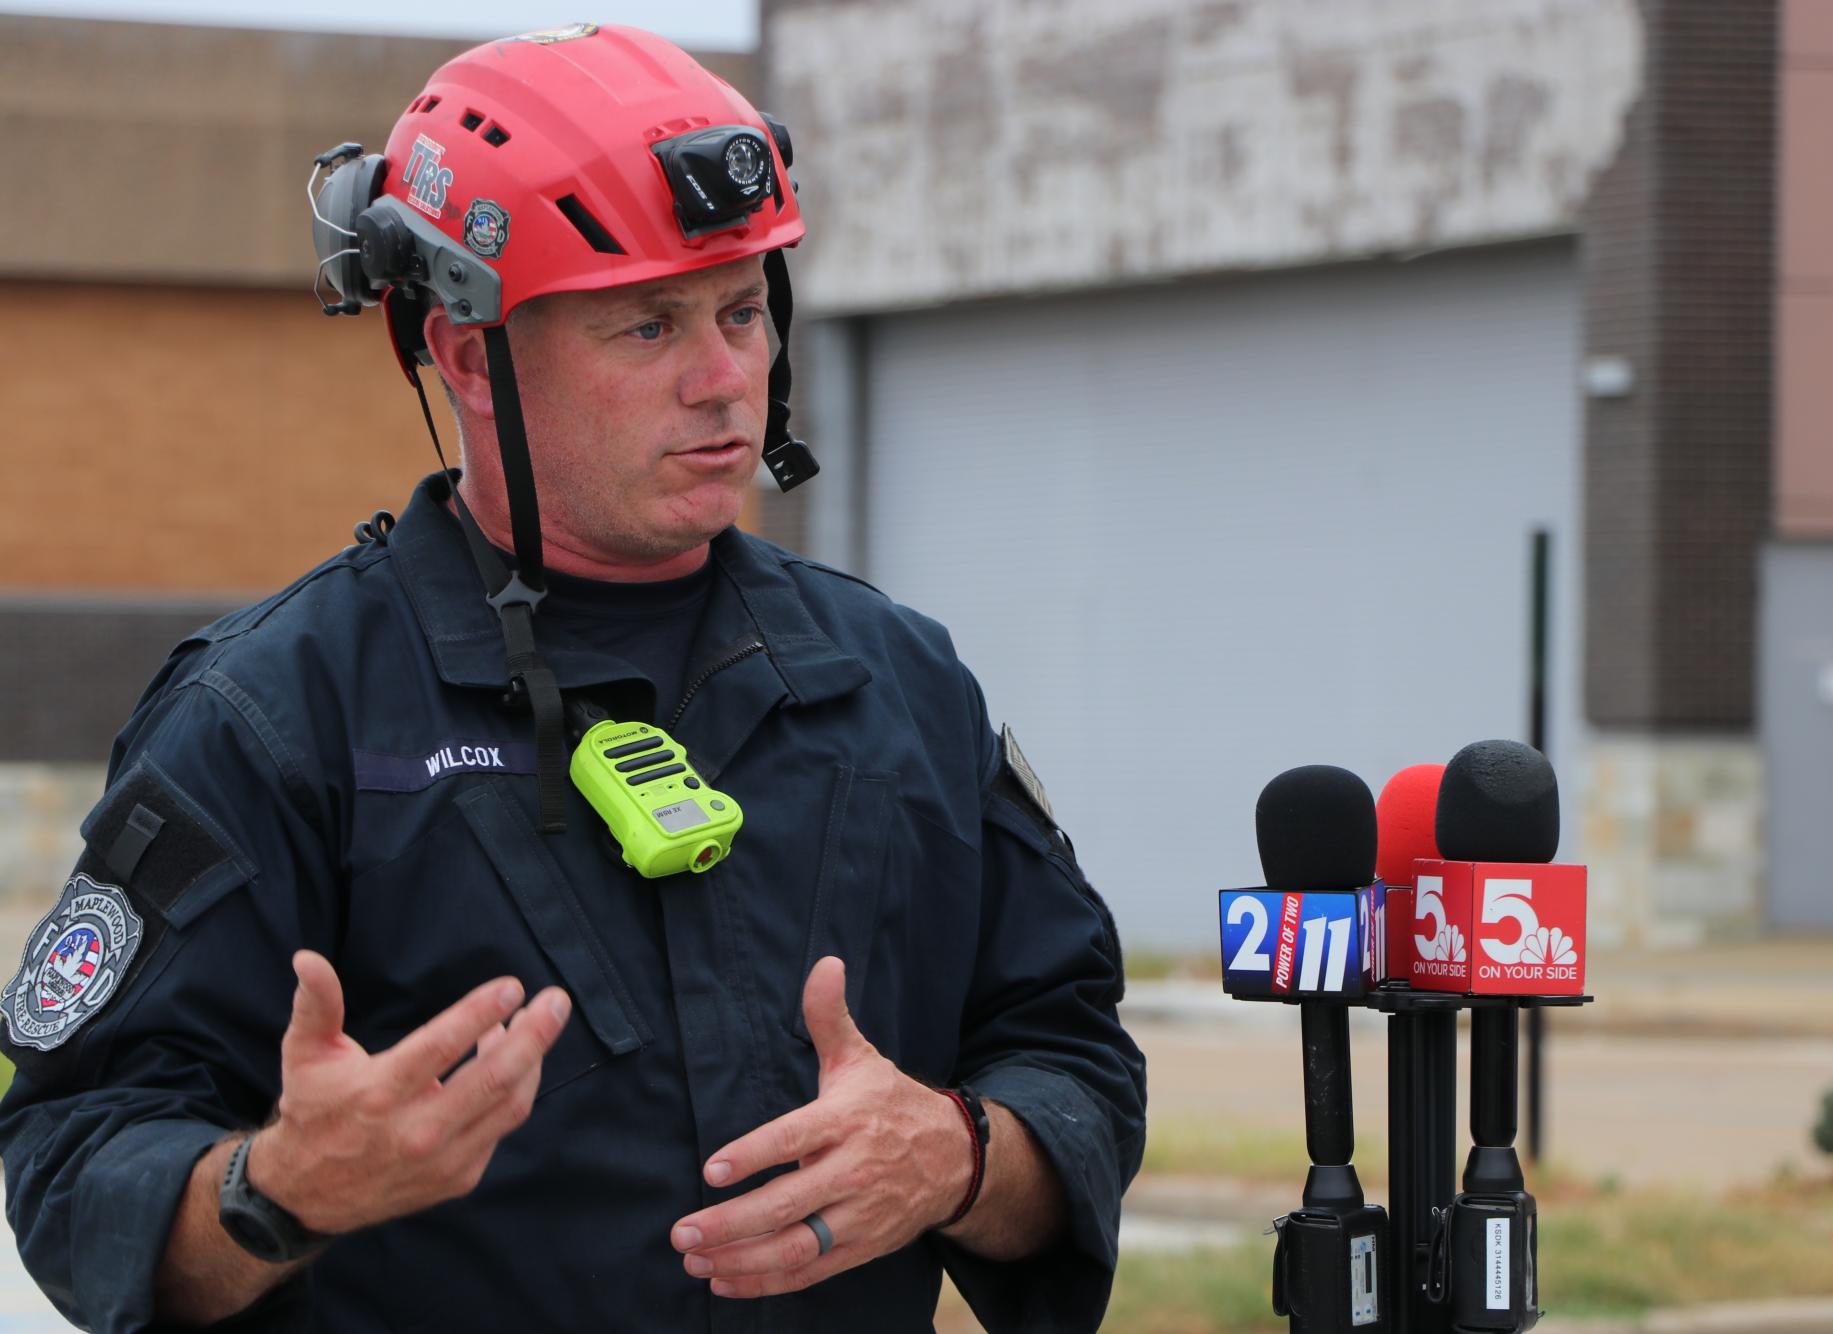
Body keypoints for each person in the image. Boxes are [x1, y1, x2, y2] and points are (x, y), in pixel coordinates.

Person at [0, 24, 1145, 1333]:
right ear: (468, 354)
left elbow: (1074, 1064)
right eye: (646, 325)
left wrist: (960, 1150)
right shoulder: (277, 716)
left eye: (737, 311)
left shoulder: (898, 685)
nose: (722, 379)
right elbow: (73, 1158)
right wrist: (279, 1191)